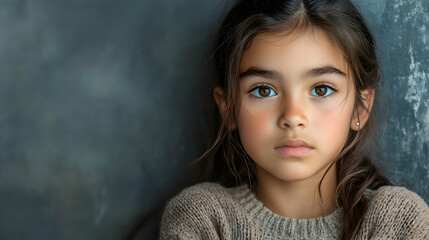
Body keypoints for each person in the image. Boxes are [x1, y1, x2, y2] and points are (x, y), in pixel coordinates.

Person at [159, 0, 429, 239]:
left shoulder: (398, 222)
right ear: (228, 108)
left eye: (321, 89)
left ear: (360, 108)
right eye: (264, 90)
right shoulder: (203, 218)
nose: (292, 117)